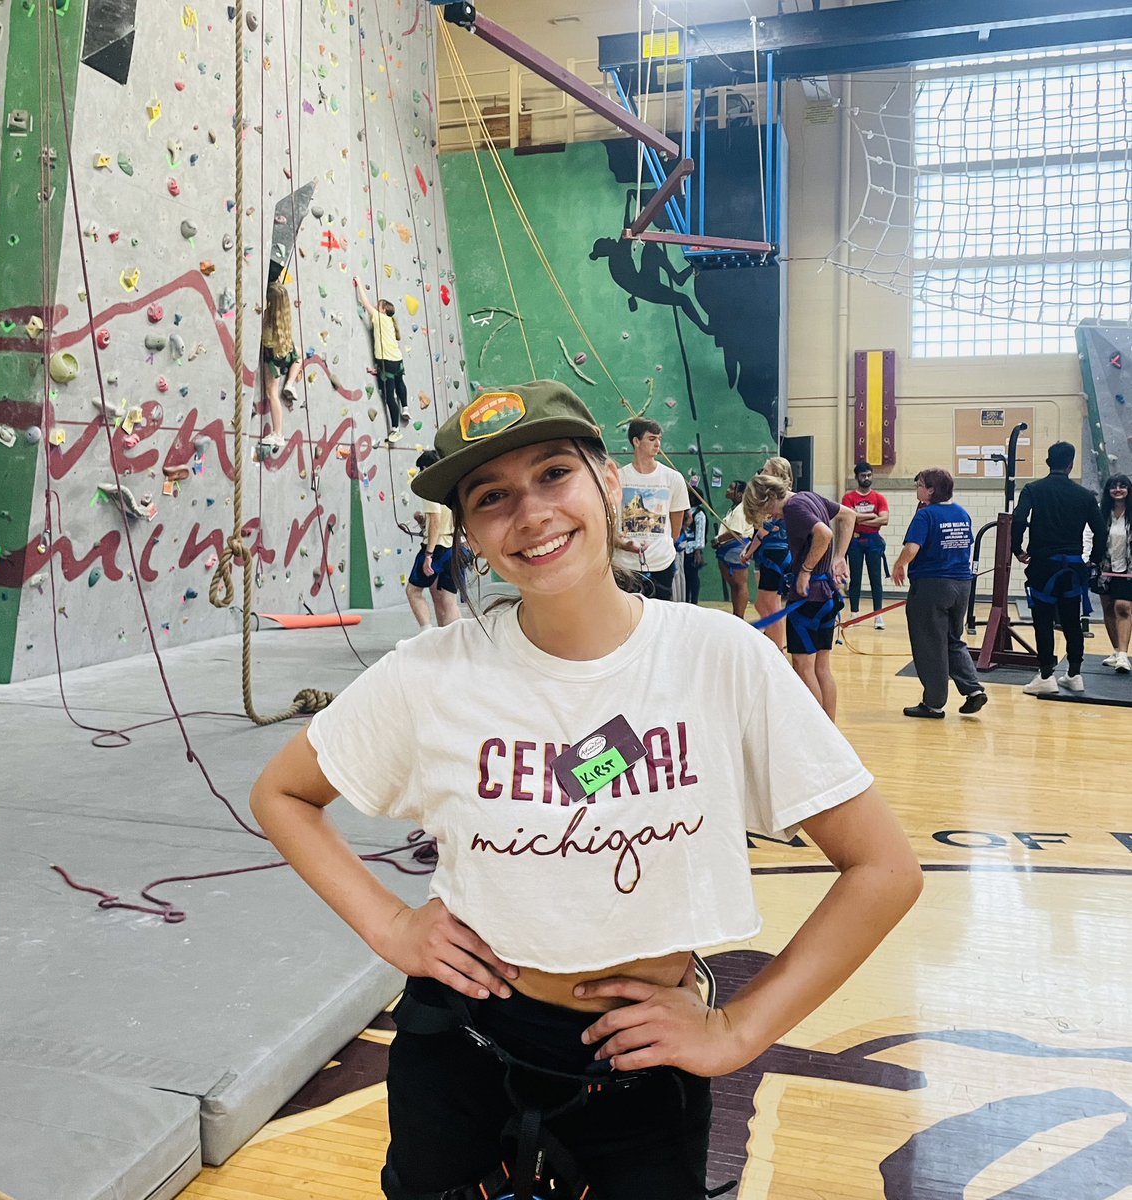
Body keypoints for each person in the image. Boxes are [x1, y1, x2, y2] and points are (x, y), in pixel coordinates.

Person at [250, 380, 922, 1200]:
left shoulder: (718, 657)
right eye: (491, 497)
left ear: (610, 483)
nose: (530, 513)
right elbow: (283, 795)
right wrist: (392, 925)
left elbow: (883, 869)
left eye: (552, 474)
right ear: (468, 533)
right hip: (462, 1040)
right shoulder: (429, 674)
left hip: (643, 1058)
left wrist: (739, 1029)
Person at [741, 473, 857, 721]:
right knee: (822, 668)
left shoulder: (793, 508)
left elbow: (824, 534)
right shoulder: (809, 496)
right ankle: (830, 732)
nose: (771, 517)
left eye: (765, 510)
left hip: (809, 598)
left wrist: (804, 571)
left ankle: (816, 730)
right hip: (827, 595)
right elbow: (849, 516)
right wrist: (839, 558)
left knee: (804, 668)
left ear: (770, 497)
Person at [891, 468, 987, 719]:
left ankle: (933, 703)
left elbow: (912, 547)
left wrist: (899, 564)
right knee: (954, 639)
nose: (917, 488)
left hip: (932, 585)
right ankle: (973, 690)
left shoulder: (927, 515)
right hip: (961, 585)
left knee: (929, 644)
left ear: (931, 490)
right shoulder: (962, 514)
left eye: (920, 484)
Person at [1013, 442, 1106, 696]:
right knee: (1072, 621)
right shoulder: (1085, 495)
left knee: (1043, 620)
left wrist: (1017, 549)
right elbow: (1101, 530)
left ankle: (1045, 675)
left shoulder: (1033, 489)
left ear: (1047, 462)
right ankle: (1075, 674)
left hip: (1043, 565)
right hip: (1074, 567)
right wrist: (1093, 560)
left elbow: (1019, 519)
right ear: (1071, 464)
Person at [611, 418, 689, 601]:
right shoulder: (618, 478)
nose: (657, 444)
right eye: (652, 439)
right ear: (636, 441)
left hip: (661, 562)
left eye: (659, 439)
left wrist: (659, 545)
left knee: (661, 615)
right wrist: (623, 544)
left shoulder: (673, 478)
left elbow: (676, 529)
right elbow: (610, 523)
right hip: (625, 564)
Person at [739, 456, 794, 649]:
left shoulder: (782, 501)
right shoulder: (772, 501)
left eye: (765, 471)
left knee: (770, 607)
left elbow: (764, 530)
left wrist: (748, 551)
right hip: (769, 554)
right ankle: (772, 643)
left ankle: (777, 649)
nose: (761, 474)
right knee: (764, 604)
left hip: (776, 555)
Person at [405, 450, 463, 629]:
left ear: (425, 469)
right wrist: (423, 521)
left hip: (437, 548)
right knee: (446, 598)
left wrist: (429, 554)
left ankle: (427, 633)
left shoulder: (430, 488)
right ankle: (453, 639)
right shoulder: (452, 486)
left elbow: (437, 520)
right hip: (455, 545)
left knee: (413, 591)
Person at [355, 277, 408, 444]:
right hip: (397, 360)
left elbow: (365, 304)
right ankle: (405, 408)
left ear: (383, 310)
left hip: (387, 362)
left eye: (379, 306)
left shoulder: (380, 318)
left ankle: (395, 429)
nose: (376, 307)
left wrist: (359, 284)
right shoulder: (390, 323)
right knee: (400, 382)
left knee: (389, 396)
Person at [841, 461, 890, 630]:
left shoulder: (878, 497)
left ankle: (878, 615)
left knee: (876, 579)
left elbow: (885, 519)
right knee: (855, 578)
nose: (867, 478)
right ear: (857, 477)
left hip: (874, 541)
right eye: (863, 476)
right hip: (855, 540)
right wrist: (873, 516)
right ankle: (854, 613)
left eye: (869, 475)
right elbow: (849, 518)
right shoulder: (848, 498)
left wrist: (860, 517)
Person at [1096, 473, 1132, 673]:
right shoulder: (1102, 513)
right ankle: (1117, 651)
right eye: (1114, 486)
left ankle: (1124, 656)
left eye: (1122, 486)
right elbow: (1090, 535)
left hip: (1128, 570)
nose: (1118, 490)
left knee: (1123, 607)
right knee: (1109, 608)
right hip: (1105, 568)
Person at [260, 279, 301, 450]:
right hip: (286, 352)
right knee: (299, 354)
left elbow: (266, 343)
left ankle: (278, 434)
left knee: (272, 394)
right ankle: (290, 382)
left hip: (273, 360)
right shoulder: (285, 314)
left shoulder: (269, 323)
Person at [712, 479, 752, 619]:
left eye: (731, 488)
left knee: (740, 584)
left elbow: (736, 532)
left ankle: (739, 616)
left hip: (736, 548)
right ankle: (736, 615)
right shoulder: (734, 508)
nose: (728, 490)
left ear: (740, 494)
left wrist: (718, 540)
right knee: (735, 585)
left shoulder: (741, 510)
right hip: (727, 549)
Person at [675, 483, 707, 605]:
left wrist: (698, 550)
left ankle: (693, 601)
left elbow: (700, 532)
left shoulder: (699, 514)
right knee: (685, 577)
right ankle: (685, 600)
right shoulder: (685, 511)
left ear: (693, 498)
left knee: (692, 577)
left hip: (691, 550)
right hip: (682, 547)